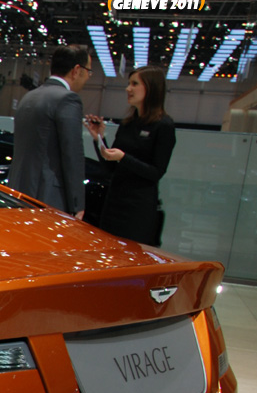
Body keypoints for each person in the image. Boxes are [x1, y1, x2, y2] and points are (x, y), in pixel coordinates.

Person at [85, 66, 176, 246]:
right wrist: (99, 139)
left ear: (151, 88)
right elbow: (110, 167)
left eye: (134, 84)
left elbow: (156, 172)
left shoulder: (163, 126)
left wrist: (123, 158)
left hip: (138, 208)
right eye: (129, 84)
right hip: (114, 202)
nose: (128, 89)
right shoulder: (128, 124)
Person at [10, 44, 92, 219]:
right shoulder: (68, 99)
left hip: (19, 190)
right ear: (76, 70)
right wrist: (77, 203)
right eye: (88, 71)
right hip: (48, 196)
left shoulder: (29, 97)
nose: (88, 77)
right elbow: (72, 153)